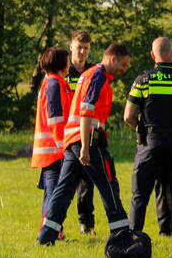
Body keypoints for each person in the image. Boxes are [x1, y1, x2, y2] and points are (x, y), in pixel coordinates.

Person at [37, 43, 133, 245]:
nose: (125, 70)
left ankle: (46, 235)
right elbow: (86, 110)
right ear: (113, 59)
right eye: (124, 65)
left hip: (73, 138)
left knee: (64, 190)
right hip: (87, 139)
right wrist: (85, 148)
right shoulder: (97, 76)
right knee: (108, 184)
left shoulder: (90, 74)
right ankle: (122, 234)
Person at [124, 37, 172, 250]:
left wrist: (142, 129)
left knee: (140, 194)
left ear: (152, 55)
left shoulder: (143, 80)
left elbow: (128, 116)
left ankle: (134, 239)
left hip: (150, 142)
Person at [30, 47, 72, 237]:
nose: (70, 63)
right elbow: (55, 119)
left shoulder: (51, 82)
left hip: (49, 149)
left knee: (51, 192)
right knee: (54, 193)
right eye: (68, 60)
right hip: (54, 150)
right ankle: (50, 231)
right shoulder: (54, 83)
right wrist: (63, 145)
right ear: (61, 63)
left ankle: (54, 230)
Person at [66, 29, 97, 234]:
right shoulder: (64, 71)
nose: (83, 51)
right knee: (65, 183)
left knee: (88, 182)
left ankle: (86, 223)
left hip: (86, 132)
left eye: (86, 48)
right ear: (71, 47)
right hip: (68, 133)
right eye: (79, 47)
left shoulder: (93, 71)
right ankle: (55, 223)